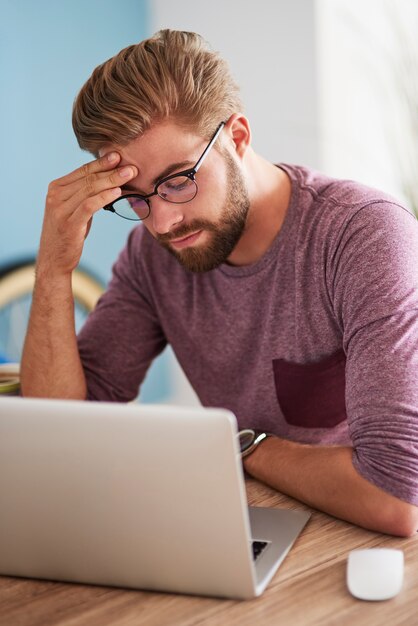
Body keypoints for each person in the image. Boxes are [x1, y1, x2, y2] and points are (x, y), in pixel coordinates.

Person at [21, 29, 418, 537]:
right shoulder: (153, 255)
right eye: (136, 198)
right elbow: (62, 437)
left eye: (179, 179)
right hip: (251, 523)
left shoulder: (363, 236)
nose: (162, 222)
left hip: (365, 542)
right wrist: (54, 268)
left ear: (237, 136)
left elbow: (397, 496)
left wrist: (244, 445)